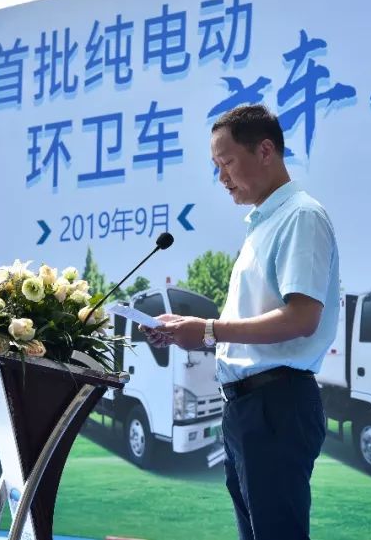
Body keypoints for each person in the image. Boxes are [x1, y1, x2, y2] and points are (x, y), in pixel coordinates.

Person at [145, 103, 340, 540]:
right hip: (248, 407)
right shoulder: (262, 225)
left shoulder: (300, 216)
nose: (222, 178)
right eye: (216, 166)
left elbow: (302, 317)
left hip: (276, 404)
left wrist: (208, 330)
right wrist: (188, 330)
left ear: (265, 150)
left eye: (227, 162)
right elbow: (252, 322)